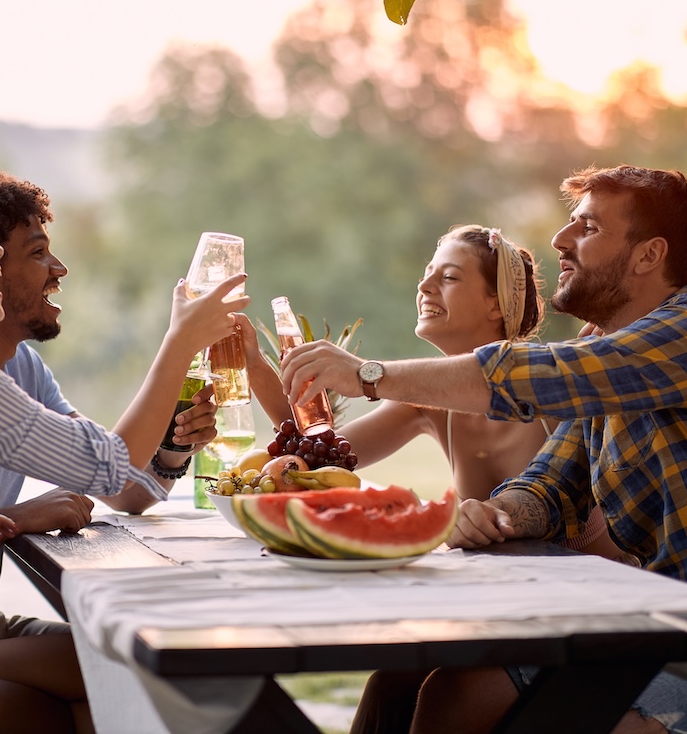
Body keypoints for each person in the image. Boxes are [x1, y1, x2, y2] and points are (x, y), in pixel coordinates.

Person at [279, 164, 687, 734]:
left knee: (494, 702)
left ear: (648, 256)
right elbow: (551, 482)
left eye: (588, 227)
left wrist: (369, 375)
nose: (560, 240)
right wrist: (498, 512)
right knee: (421, 684)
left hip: (672, 640)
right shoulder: (603, 349)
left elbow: (540, 375)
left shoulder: (680, 334)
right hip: (644, 626)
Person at [243, 223, 626, 734]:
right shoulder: (427, 401)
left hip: (569, 614)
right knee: (389, 683)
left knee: (436, 695)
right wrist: (253, 363)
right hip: (488, 608)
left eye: (447, 277)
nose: (424, 288)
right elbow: (317, 459)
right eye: (426, 275)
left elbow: (599, 527)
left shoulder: (548, 388)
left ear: (496, 304)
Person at [0, 196, 247, 733]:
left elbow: (120, 476)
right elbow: (109, 465)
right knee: (119, 691)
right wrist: (180, 342)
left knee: (125, 684)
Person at [0, 170, 218, 648]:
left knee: (138, 660)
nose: (58, 269)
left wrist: (172, 447)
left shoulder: (23, 368)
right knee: (131, 668)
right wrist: (180, 341)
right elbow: (109, 463)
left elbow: (121, 486)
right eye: (37, 252)